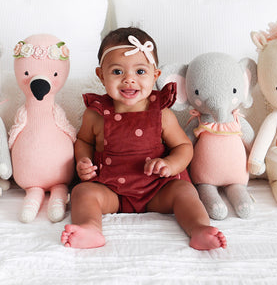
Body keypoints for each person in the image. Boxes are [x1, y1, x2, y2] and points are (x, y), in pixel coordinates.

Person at [61, 27, 226, 251]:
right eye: (117, 72)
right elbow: (84, 142)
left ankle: (198, 228)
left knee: (184, 191)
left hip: (156, 189)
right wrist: (83, 161)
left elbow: (184, 146)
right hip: (111, 191)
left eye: (140, 72)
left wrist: (170, 164)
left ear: (155, 75)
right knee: (82, 192)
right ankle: (90, 227)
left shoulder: (162, 114)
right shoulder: (95, 113)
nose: (129, 80)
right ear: (101, 75)